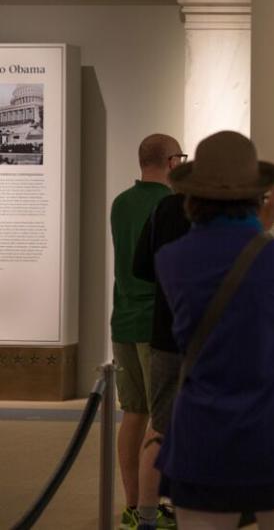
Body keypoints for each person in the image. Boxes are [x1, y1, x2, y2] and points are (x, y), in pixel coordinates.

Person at [154, 131, 274, 529]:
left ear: (192, 196)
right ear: (258, 196)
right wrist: (260, 232)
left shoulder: (172, 259)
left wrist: (255, 233)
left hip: (204, 430)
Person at [111, 133, 185, 530]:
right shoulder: (168, 206)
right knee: (160, 419)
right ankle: (149, 508)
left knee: (133, 415)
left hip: (121, 317)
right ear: (172, 161)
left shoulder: (121, 203)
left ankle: (133, 503)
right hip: (154, 325)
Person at [132, 191, 190, 530]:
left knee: (159, 429)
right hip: (209, 340)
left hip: (166, 333)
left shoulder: (164, 207)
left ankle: (147, 518)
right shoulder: (225, 211)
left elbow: (140, 267)